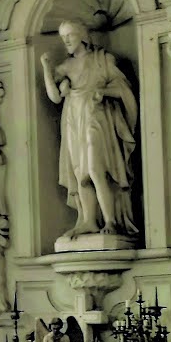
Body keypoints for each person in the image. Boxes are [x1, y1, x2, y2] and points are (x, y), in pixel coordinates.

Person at [40, 19, 139, 240]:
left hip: (97, 117)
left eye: (70, 35)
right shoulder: (65, 67)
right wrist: (46, 68)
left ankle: (111, 220)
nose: (66, 41)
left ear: (83, 36)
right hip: (74, 119)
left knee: (95, 168)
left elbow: (123, 89)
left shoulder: (103, 60)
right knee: (80, 172)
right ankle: (90, 221)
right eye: (63, 37)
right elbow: (55, 97)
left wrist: (102, 92)